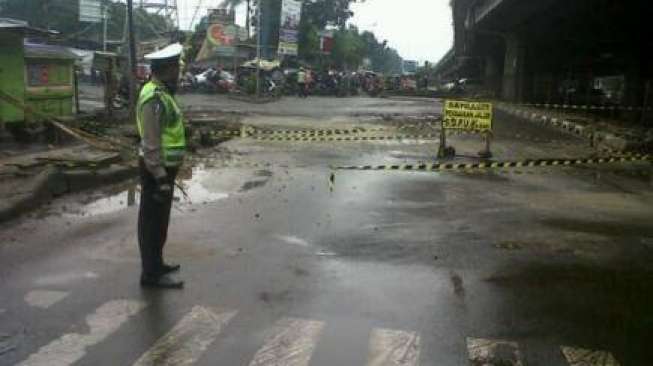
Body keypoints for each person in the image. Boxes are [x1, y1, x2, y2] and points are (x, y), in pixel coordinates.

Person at [136, 43, 187, 289]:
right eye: (176, 67)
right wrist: (159, 176)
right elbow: (151, 141)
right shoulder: (154, 97)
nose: (179, 71)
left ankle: (157, 263)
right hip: (156, 170)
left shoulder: (163, 92)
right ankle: (150, 274)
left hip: (165, 169)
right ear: (165, 69)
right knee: (151, 223)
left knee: (160, 221)